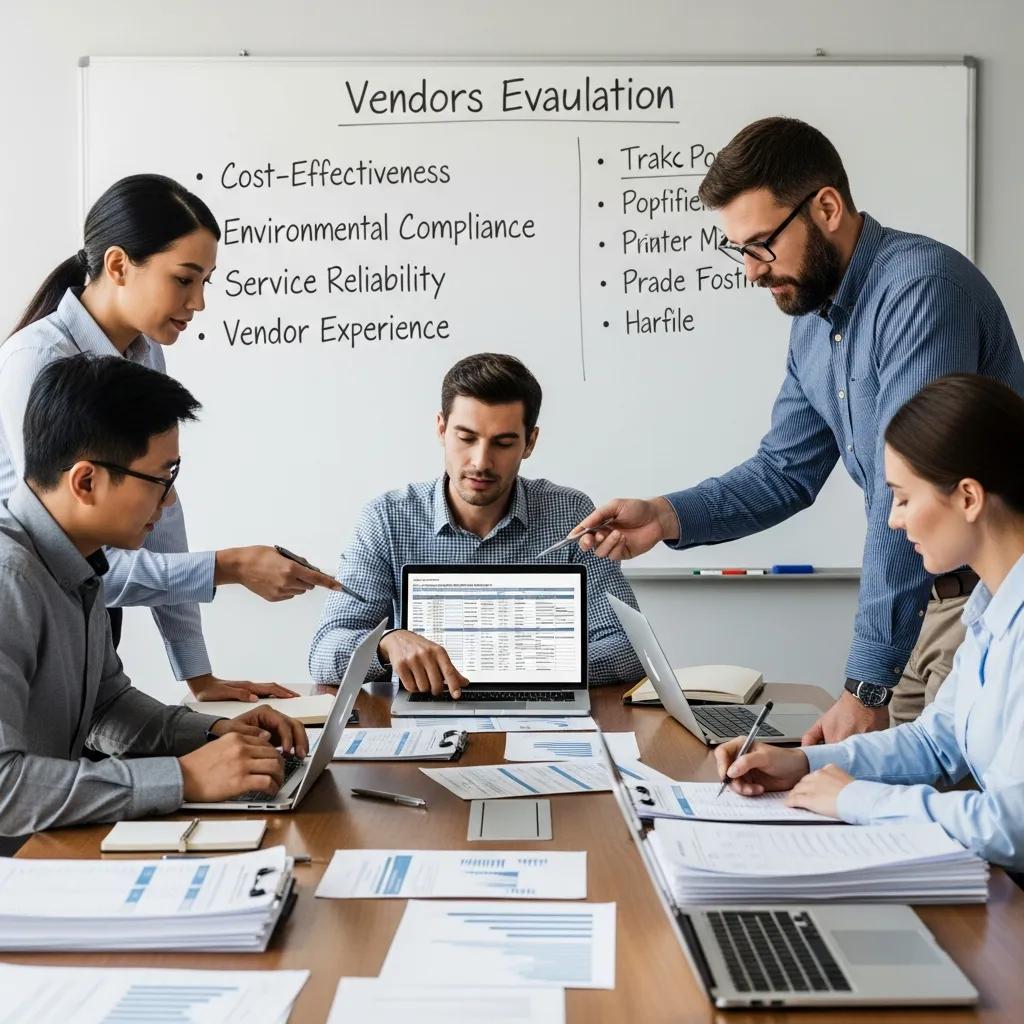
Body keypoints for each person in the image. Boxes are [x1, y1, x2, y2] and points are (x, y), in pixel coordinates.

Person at [572, 116, 1024, 742]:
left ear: (827, 207)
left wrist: (865, 684)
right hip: (920, 613)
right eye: (740, 251)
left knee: (964, 827)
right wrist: (664, 516)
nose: (752, 271)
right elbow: (784, 472)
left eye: (762, 244)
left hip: (986, 606)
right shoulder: (815, 323)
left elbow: (920, 486)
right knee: (898, 813)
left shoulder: (920, 291)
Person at [0, 173, 341, 703]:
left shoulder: (144, 354)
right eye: (185, 279)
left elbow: (161, 514)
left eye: (206, 281)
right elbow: (63, 557)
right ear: (118, 265)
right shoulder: (36, 364)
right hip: (25, 615)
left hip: (88, 617)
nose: (199, 302)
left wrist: (199, 677)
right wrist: (228, 568)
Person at [714, 375, 1024, 871]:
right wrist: (803, 764)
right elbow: (937, 741)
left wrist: (856, 799)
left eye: (902, 498)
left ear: (968, 498)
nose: (893, 521)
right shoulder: (993, 605)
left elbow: (1011, 826)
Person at [0, 354, 307, 851]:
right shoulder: (9, 579)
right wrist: (181, 779)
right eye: (161, 478)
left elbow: (106, 706)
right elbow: (4, 788)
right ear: (85, 481)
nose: (168, 502)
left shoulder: (79, 562)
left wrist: (214, 734)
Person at [309, 352, 643, 695]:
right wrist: (386, 643)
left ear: (530, 442)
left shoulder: (570, 513)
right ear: (441, 428)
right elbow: (325, 651)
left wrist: (529, 668)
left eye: (503, 442)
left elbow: (628, 647)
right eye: (466, 438)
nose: (481, 462)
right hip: (425, 721)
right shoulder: (386, 519)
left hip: (541, 719)